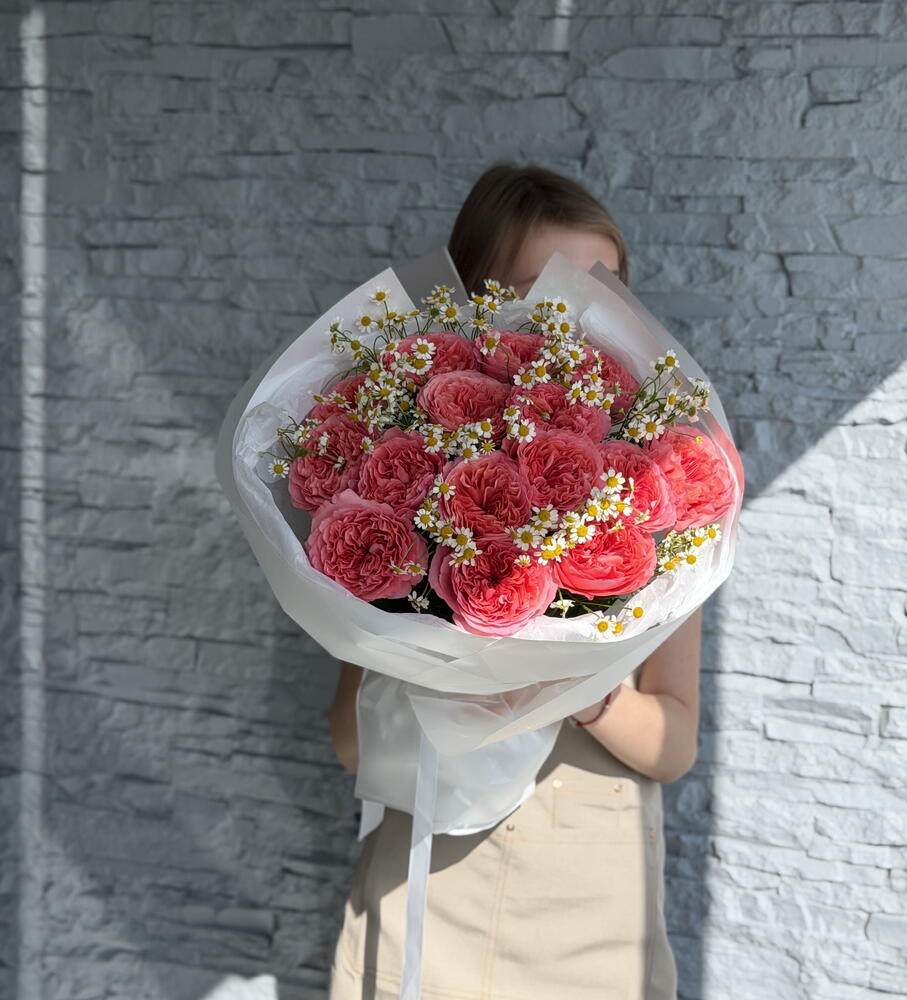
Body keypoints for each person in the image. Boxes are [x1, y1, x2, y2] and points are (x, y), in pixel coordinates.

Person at [326, 163, 701, 1000]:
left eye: (601, 290)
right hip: (426, 886)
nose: (573, 318)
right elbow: (350, 739)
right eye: (539, 292)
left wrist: (576, 687)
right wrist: (436, 641)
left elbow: (674, 745)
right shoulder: (408, 488)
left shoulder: (660, 494)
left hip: (589, 903)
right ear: (473, 302)